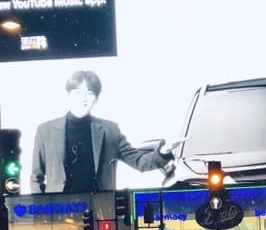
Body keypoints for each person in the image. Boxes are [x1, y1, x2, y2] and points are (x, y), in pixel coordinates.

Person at [30, 69, 176, 194]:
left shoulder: (110, 130)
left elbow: (139, 162)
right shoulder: (45, 131)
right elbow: (36, 178)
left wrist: (163, 153)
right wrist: (42, 211)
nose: (83, 98)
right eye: (77, 92)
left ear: (97, 99)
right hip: (59, 212)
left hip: (100, 210)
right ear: (68, 94)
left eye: (90, 93)